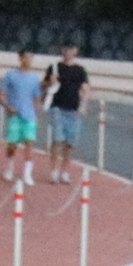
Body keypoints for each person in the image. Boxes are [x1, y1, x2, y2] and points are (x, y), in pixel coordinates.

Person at [0, 51, 44, 186]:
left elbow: (37, 97)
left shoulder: (34, 78)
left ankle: (27, 174)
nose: (29, 60)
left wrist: (37, 109)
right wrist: (7, 106)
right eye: (26, 57)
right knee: (12, 144)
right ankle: (9, 167)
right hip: (15, 115)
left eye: (31, 57)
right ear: (20, 58)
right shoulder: (11, 76)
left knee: (29, 143)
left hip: (30, 116)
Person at [43, 45, 89, 185]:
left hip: (73, 109)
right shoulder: (55, 67)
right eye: (66, 50)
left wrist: (83, 105)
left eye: (71, 50)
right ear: (62, 51)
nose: (68, 53)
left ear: (75, 52)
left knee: (69, 143)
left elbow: (85, 87)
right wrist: (51, 81)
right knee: (57, 139)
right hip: (58, 106)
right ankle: (54, 171)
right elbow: (44, 84)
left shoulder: (80, 70)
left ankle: (64, 171)